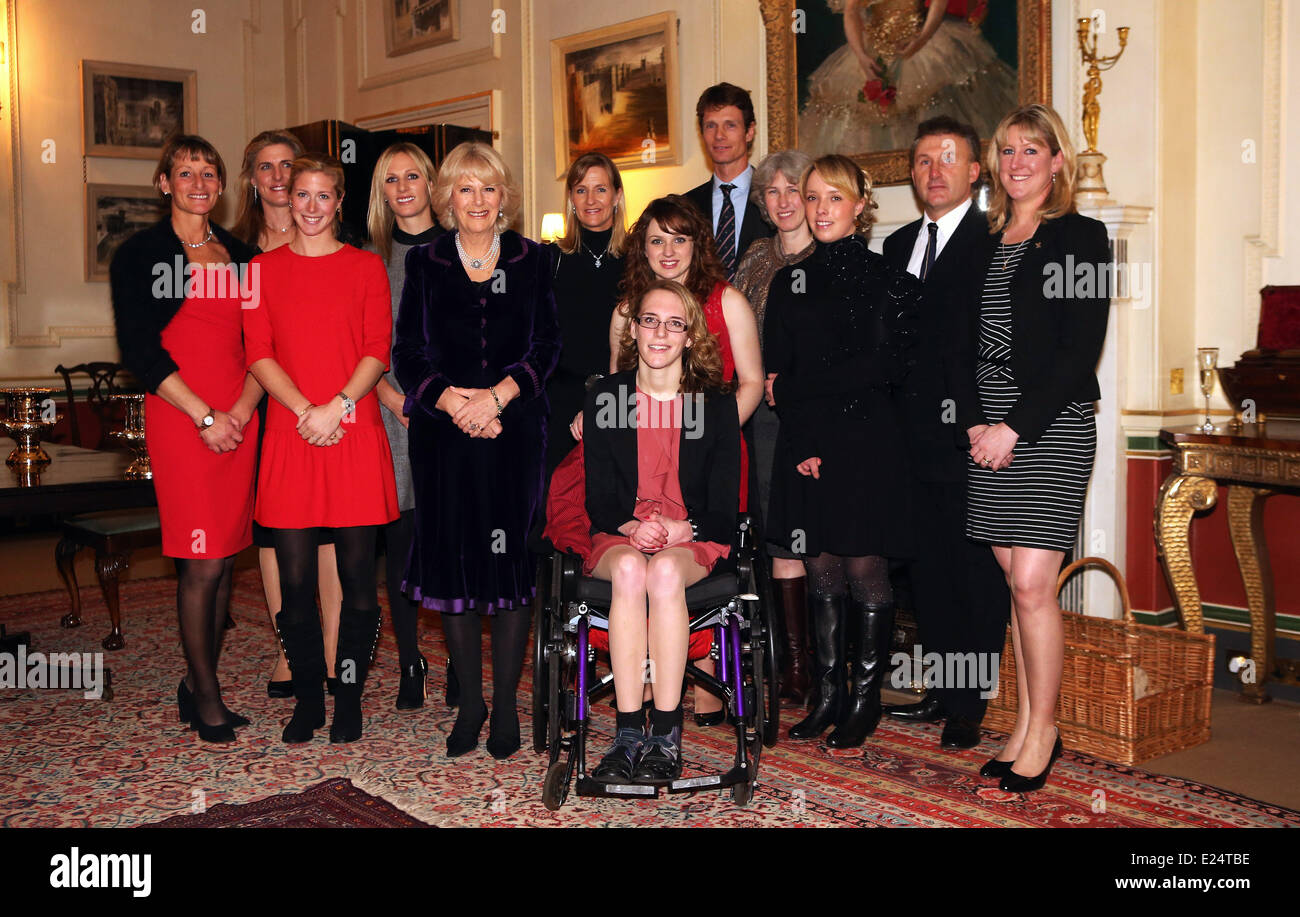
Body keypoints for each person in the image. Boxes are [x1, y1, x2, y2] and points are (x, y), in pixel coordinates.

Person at [392, 141, 560, 759]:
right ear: (448, 198)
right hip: (443, 439)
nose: (478, 199)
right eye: (465, 188)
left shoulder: (533, 259)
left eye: (488, 187)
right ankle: (470, 706)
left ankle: (508, 707)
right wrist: (455, 404)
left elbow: (547, 346)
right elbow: (406, 353)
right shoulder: (425, 262)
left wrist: (496, 399)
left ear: (504, 196)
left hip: (515, 435)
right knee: (456, 564)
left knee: (508, 566)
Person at [963, 104, 1110, 792]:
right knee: (1014, 584)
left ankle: (1044, 730)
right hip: (986, 430)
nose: (1018, 162)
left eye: (1032, 149)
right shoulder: (986, 238)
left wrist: (1013, 427)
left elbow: (1080, 350)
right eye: (1008, 150)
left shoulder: (1082, 236)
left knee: (1031, 583)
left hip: (1049, 425)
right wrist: (973, 422)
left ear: (1057, 161)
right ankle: (1024, 722)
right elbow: (959, 342)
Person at [764, 154, 920, 747]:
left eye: (834, 197)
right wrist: (803, 436)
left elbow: (887, 368)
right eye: (812, 197)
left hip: (869, 446)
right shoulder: (789, 282)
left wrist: (799, 387)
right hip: (806, 445)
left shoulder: (891, 281)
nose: (821, 209)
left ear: (860, 205)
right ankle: (828, 695)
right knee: (820, 567)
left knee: (864, 571)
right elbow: (776, 375)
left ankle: (865, 698)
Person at [244, 154, 399, 745]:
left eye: (323, 195)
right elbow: (258, 353)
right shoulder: (260, 270)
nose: (311, 206)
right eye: (301, 195)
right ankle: (308, 700)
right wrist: (306, 411)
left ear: (339, 202)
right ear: (289, 199)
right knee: (294, 584)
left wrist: (336, 406)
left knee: (359, 581)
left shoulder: (365, 266)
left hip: (353, 432)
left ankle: (349, 698)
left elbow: (376, 348)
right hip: (291, 435)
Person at [111, 134, 261, 743]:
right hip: (181, 417)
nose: (198, 183)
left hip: (240, 418)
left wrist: (240, 413)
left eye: (209, 173)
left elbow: (263, 346)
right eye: (185, 172)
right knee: (201, 561)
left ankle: (197, 680)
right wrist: (205, 417)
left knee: (224, 556)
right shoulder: (141, 254)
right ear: (164, 184)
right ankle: (206, 695)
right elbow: (139, 350)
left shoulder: (244, 257)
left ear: (221, 186)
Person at [607, 195, 763, 724]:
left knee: (686, 551)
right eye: (656, 240)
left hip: (709, 449)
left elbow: (751, 382)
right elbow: (616, 395)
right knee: (637, 557)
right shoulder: (627, 312)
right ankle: (646, 682)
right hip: (642, 460)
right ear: (642, 249)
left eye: (680, 239)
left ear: (698, 245)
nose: (668, 250)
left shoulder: (727, 302)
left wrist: (706, 433)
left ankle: (705, 675)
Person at [881, 117, 1011, 749]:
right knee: (927, 571)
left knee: (974, 573)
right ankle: (942, 684)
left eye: (949, 158)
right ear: (912, 172)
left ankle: (969, 705)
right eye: (924, 161)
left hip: (971, 436)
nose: (935, 171)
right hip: (906, 441)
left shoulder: (995, 240)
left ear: (975, 171)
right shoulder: (896, 244)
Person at [585, 280, 740, 784]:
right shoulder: (608, 397)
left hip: (693, 535)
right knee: (632, 570)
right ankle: (628, 733)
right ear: (633, 329)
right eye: (650, 320)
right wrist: (632, 526)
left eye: (675, 324)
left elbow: (725, 507)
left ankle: (666, 735)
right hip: (621, 533)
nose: (660, 333)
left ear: (691, 337)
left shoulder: (712, 403)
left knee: (665, 575)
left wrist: (682, 528)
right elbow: (599, 500)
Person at [230, 129, 346, 702]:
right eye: (266, 167)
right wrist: (239, 410)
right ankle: (288, 648)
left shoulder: (338, 247)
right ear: (252, 179)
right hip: (263, 410)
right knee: (277, 532)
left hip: (325, 409)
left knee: (327, 528)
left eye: (287, 166)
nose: (278, 177)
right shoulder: (235, 250)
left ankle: (332, 647)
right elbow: (249, 347)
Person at [733, 149, 817, 704]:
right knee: (767, 528)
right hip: (756, 414)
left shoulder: (826, 255)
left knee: (809, 532)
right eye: (773, 191)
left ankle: (812, 664)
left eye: (794, 190)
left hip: (809, 411)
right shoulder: (755, 256)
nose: (783, 201)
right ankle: (780, 660)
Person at [364, 142, 444, 711]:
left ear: (430, 183)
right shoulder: (370, 258)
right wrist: (393, 399)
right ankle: (411, 660)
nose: (403, 187)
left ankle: (460, 660)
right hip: (391, 412)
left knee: (452, 541)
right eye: (391, 180)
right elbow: (357, 344)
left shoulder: (460, 246)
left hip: (454, 415)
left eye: (412, 175)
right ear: (381, 193)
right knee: (401, 542)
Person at [799, 0, 1017, 154]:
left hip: (921, 43)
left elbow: (939, 3)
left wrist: (920, 40)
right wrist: (861, 56)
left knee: (930, 106)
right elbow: (851, 11)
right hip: (873, 49)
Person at [547, 152, 629, 472]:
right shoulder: (550, 259)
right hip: (560, 402)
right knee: (560, 495)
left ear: (617, 195)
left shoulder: (639, 258)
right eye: (581, 190)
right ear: (571, 198)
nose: (591, 199)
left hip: (623, 397)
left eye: (600, 189)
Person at [683, 83, 773, 281]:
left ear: (749, 132)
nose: (719, 135)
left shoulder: (775, 199)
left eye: (730, 125)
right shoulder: (685, 206)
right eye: (711, 126)